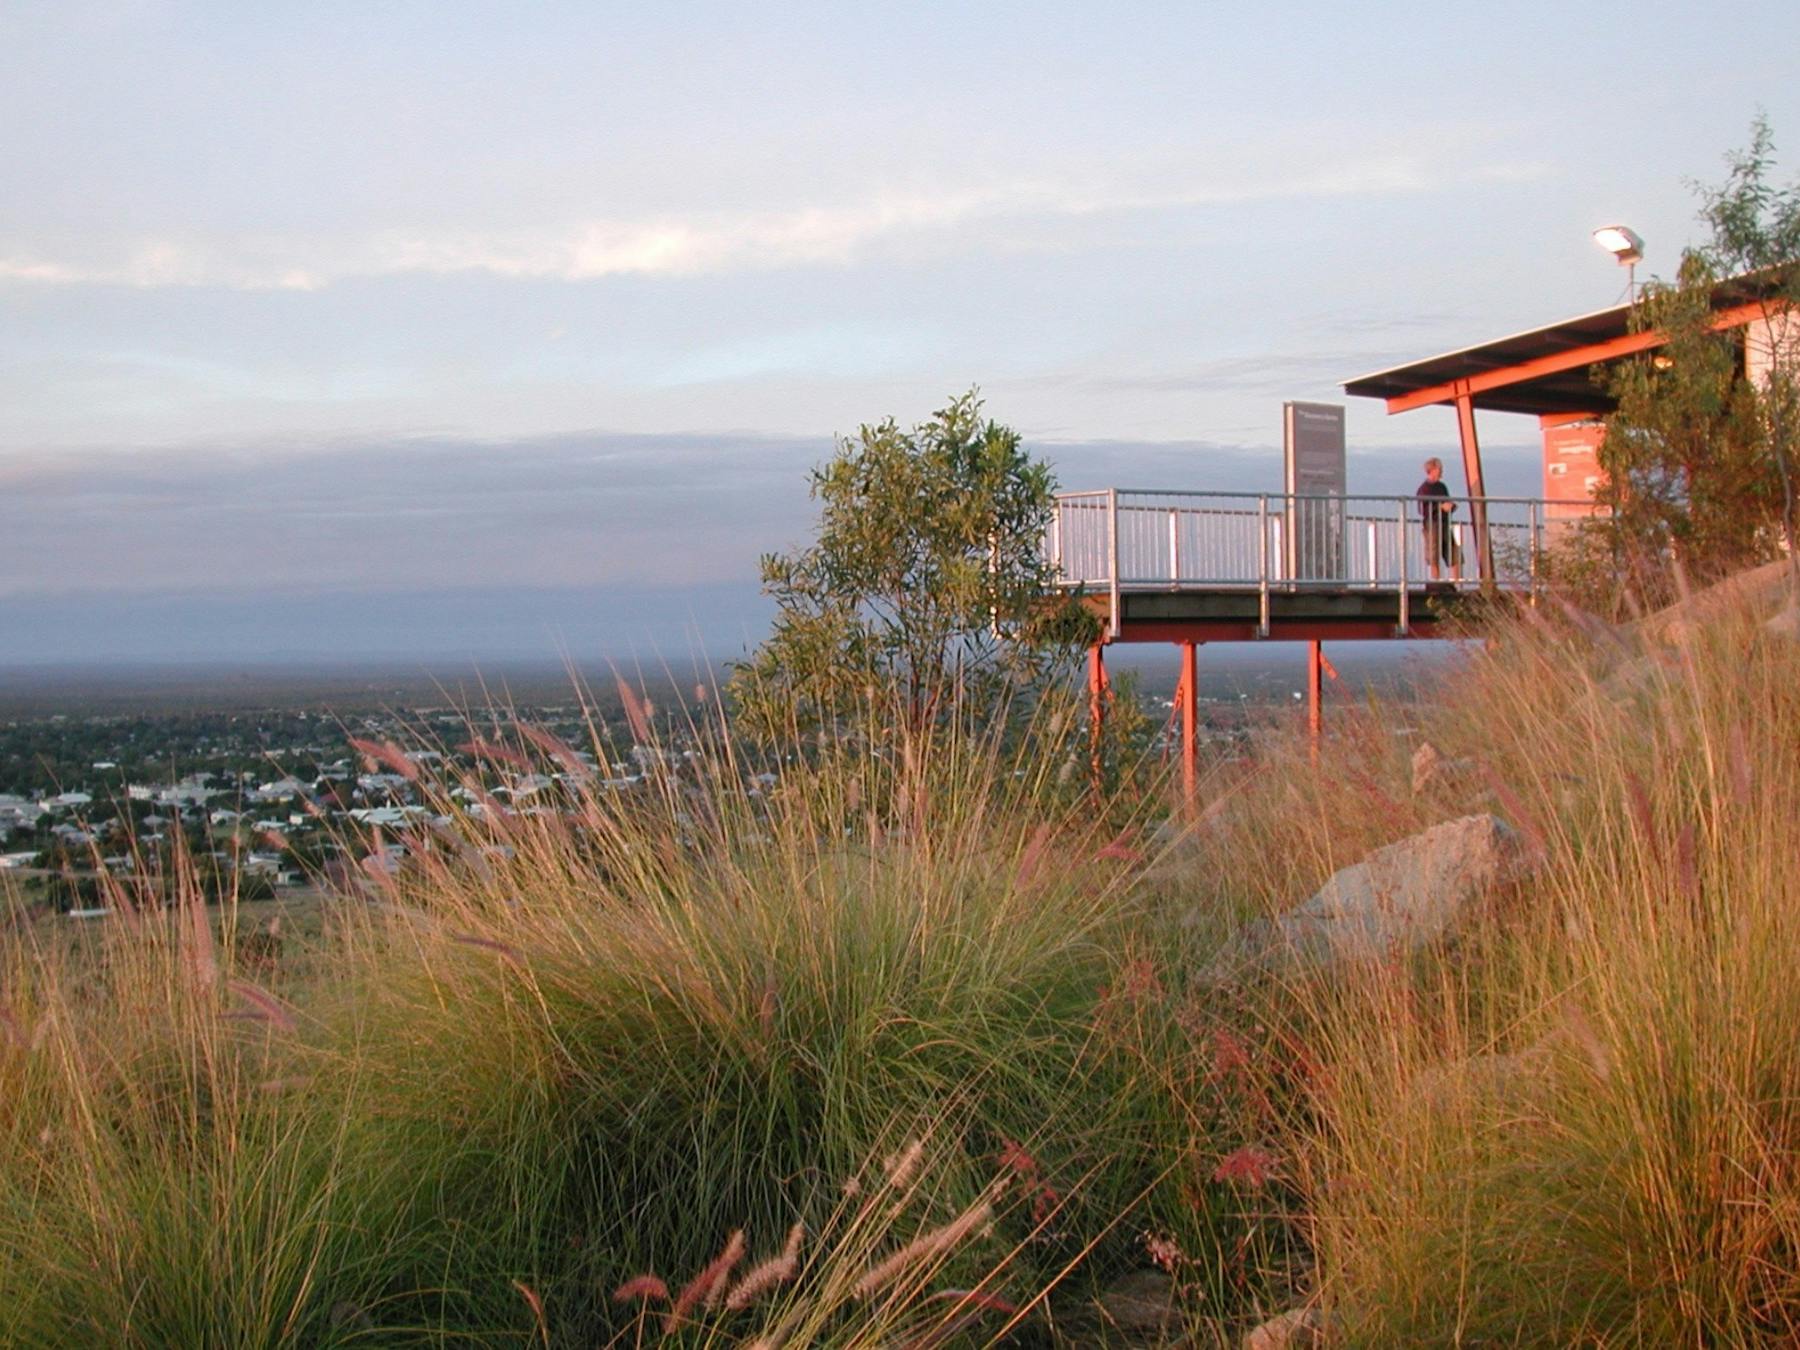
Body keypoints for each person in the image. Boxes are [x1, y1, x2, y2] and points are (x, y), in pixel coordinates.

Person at [1416, 457, 1459, 582]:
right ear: (1432, 470)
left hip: (1445, 523)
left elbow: (1448, 502)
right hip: (1432, 524)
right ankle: (1436, 582)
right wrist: (1440, 507)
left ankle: (1456, 582)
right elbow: (1423, 510)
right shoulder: (1424, 489)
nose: (1441, 471)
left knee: (1453, 552)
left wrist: (1451, 506)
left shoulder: (1442, 487)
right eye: (1439, 468)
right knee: (1434, 555)